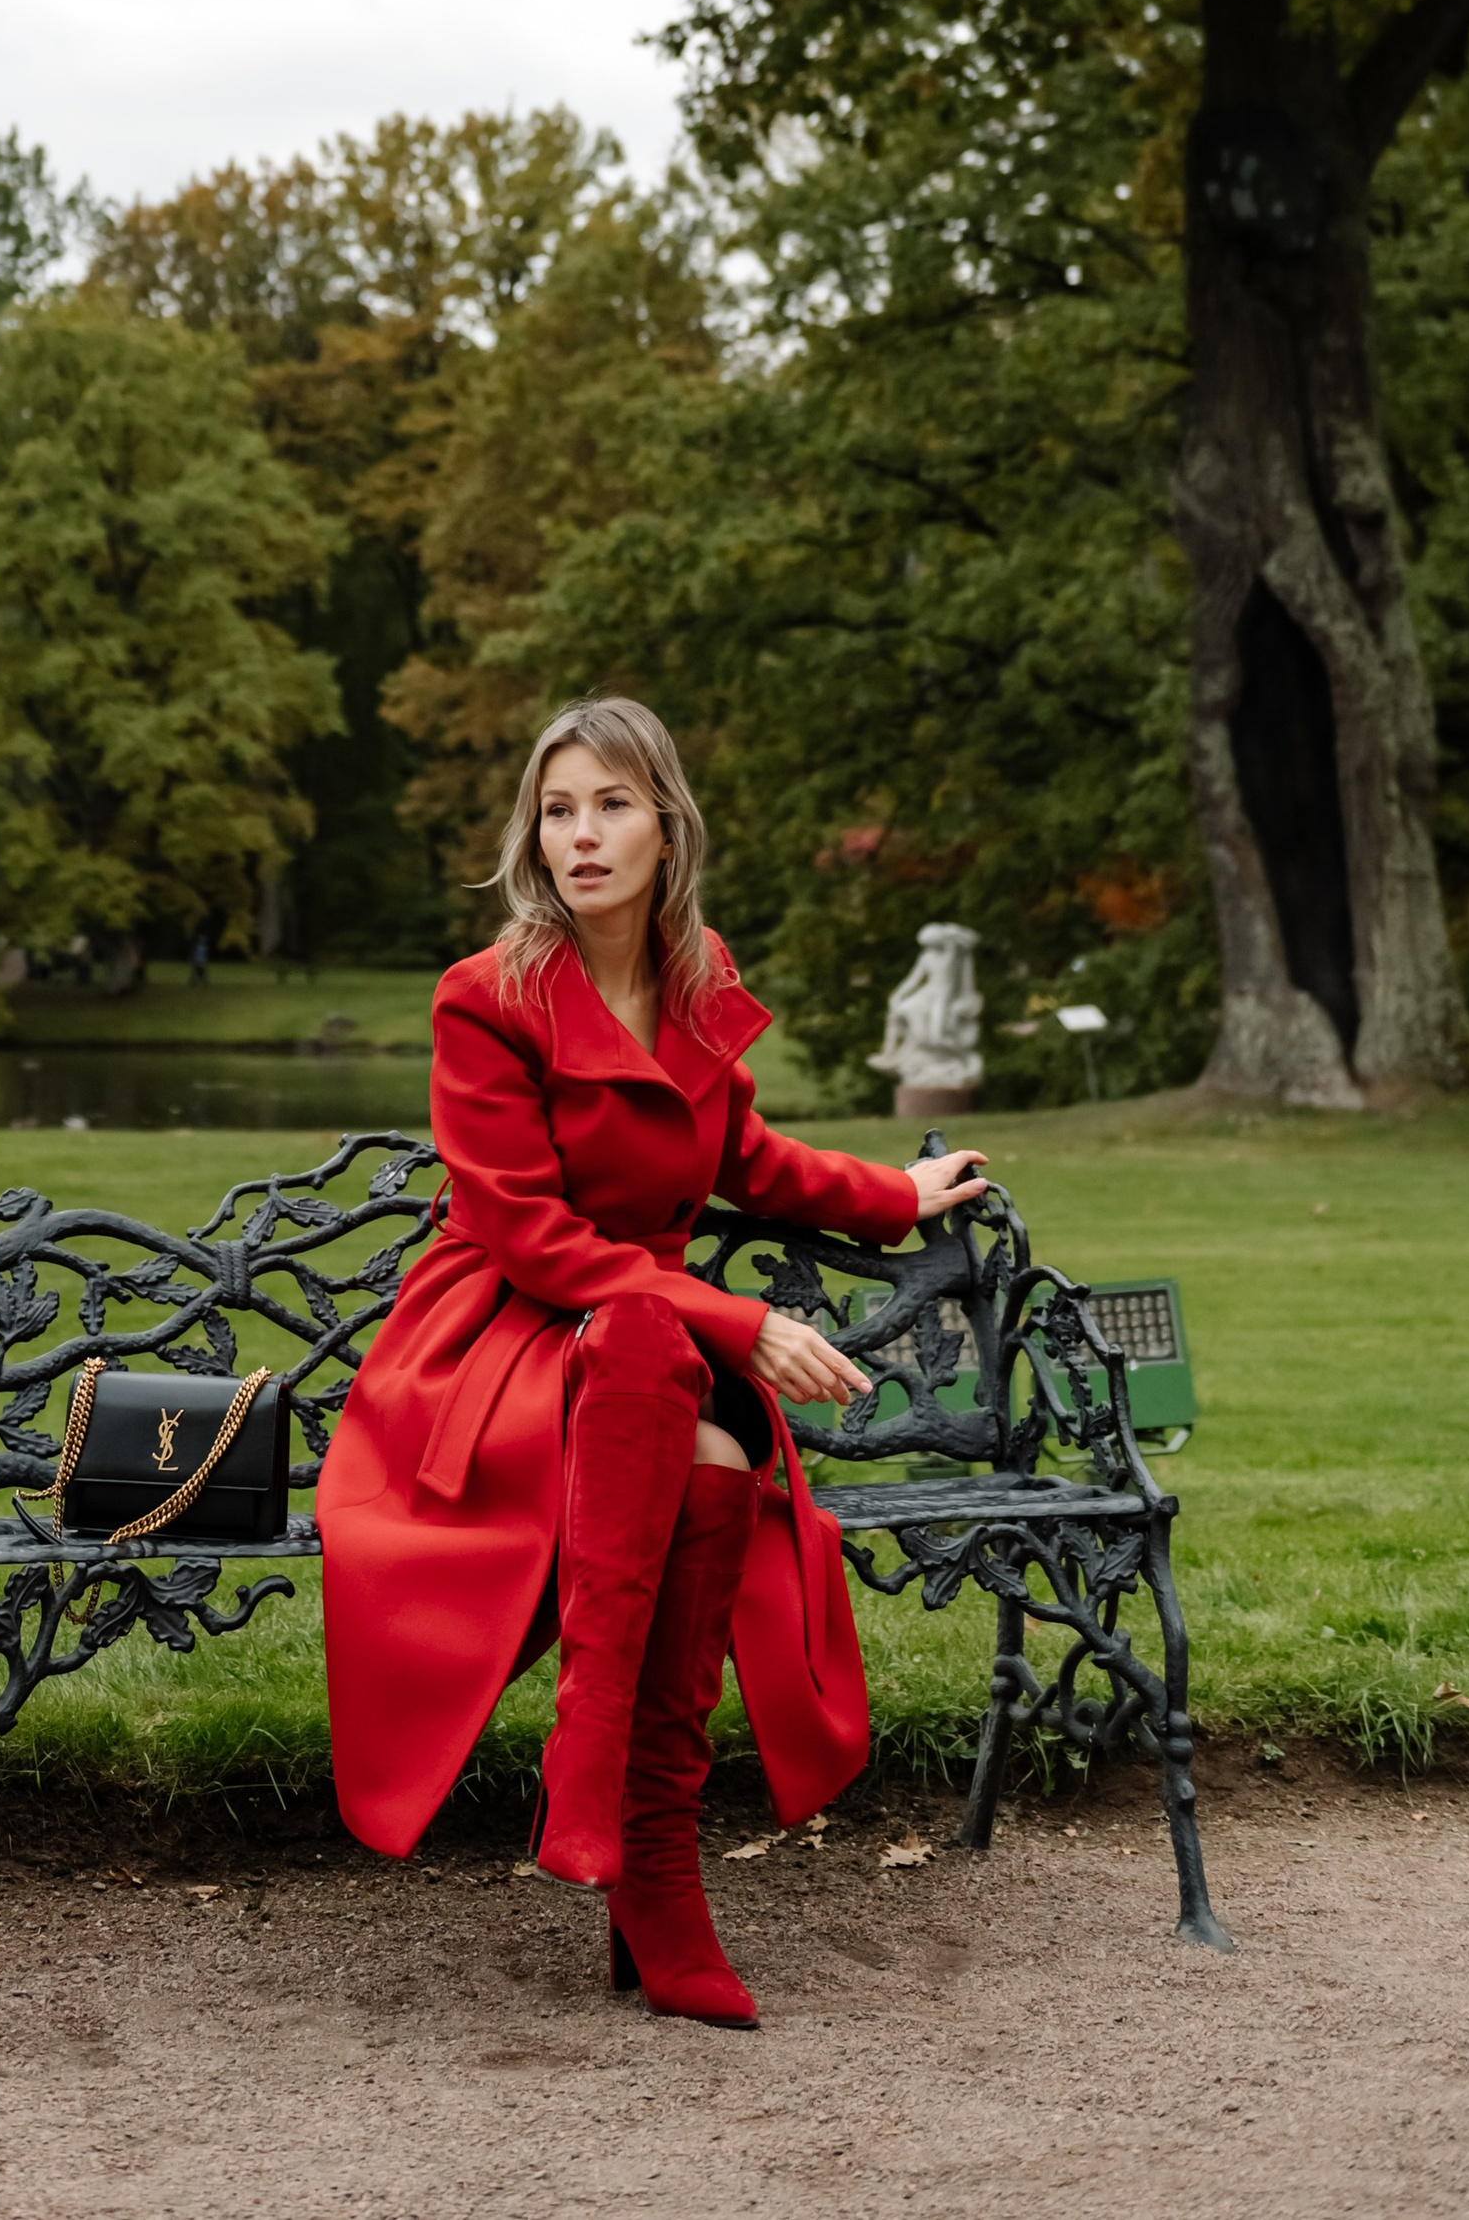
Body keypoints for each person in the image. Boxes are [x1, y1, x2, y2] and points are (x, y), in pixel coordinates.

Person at [318, 697, 986, 2031]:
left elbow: (749, 1159)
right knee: (651, 1345)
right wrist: (734, 1321)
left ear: (667, 823)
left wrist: (892, 1196)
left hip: (644, 1345)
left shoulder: (693, 975)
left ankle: (635, 1839)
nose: (582, 834)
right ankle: (632, 1838)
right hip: (499, 1333)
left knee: (695, 1426)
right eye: (558, 808)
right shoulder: (485, 996)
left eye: (610, 803)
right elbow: (529, 1232)